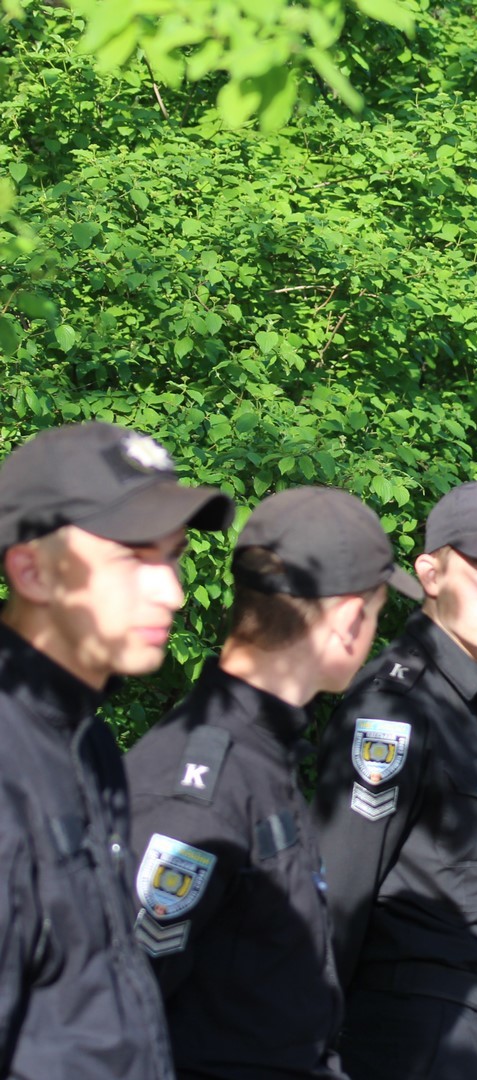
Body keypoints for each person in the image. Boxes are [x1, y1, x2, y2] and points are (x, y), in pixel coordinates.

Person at [125, 486, 418, 1078]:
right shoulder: (204, 783)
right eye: (378, 610)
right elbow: (120, 1017)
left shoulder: (260, 752)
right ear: (347, 620)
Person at [0, 422, 233, 1080]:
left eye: (174, 556)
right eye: (135, 558)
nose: (173, 592)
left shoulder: (87, 741)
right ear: (31, 570)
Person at [314, 477, 477, 1080]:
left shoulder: (474, 699)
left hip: (466, 1034)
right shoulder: (396, 710)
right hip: (413, 1038)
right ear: (430, 574)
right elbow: (339, 890)